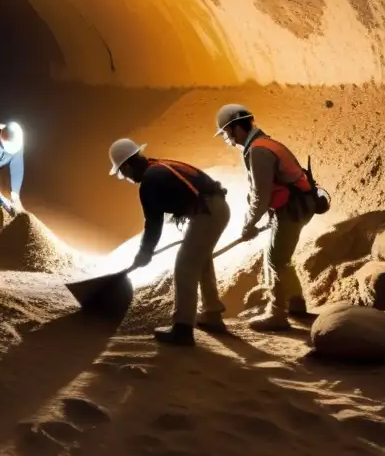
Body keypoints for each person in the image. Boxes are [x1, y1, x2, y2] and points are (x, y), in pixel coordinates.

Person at [109, 138, 230, 346]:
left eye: (123, 172)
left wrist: (144, 252)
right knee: (201, 260)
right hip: (216, 208)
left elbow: (154, 222)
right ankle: (212, 315)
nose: (126, 177)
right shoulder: (159, 167)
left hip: (207, 212)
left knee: (185, 266)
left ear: (127, 166)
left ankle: (182, 329)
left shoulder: (150, 181)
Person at [215, 103, 316, 331]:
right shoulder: (264, 143)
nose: (225, 138)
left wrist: (248, 224)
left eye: (225, 133)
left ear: (235, 128)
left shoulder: (258, 151)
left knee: (276, 259)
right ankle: (296, 304)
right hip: (297, 205)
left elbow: (261, 196)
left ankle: (277, 314)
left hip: (292, 208)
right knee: (280, 256)